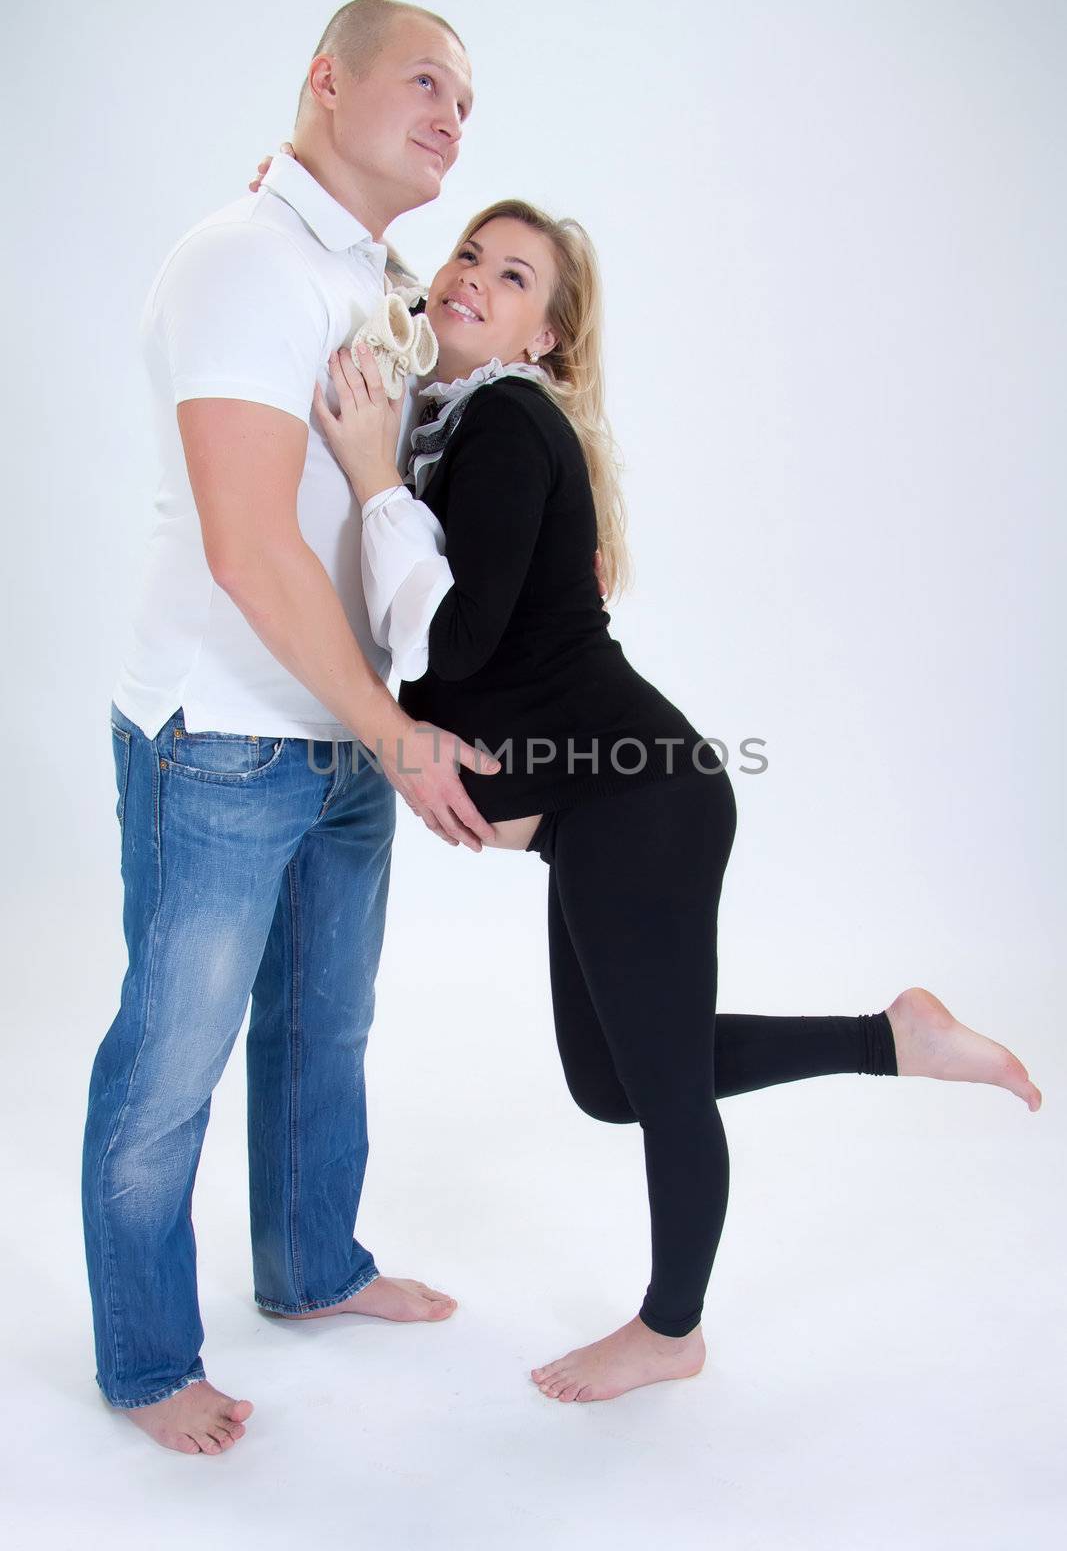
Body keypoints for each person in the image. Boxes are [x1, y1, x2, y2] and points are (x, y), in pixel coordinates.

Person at [299, 190, 1043, 1405]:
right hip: (618, 805)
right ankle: (889, 1038)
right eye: (467, 256)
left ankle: (671, 1327)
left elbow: (455, 644)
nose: (474, 278)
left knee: (652, 1090)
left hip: (639, 799)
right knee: (611, 1080)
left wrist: (372, 472)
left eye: (516, 279)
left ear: (542, 337)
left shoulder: (503, 421)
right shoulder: (475, 425)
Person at [82, 0, 512, 1459]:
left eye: (469, 98)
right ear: (324, 84)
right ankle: (145, 1361)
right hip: (221, 737)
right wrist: (394, 736)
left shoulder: (371, 282)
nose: (454, 115)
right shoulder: (241, 262)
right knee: (171, 1059)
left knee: (326, 1027)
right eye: (424, 82)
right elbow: (248, 545)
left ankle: (310, 1269)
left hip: (340, 729)